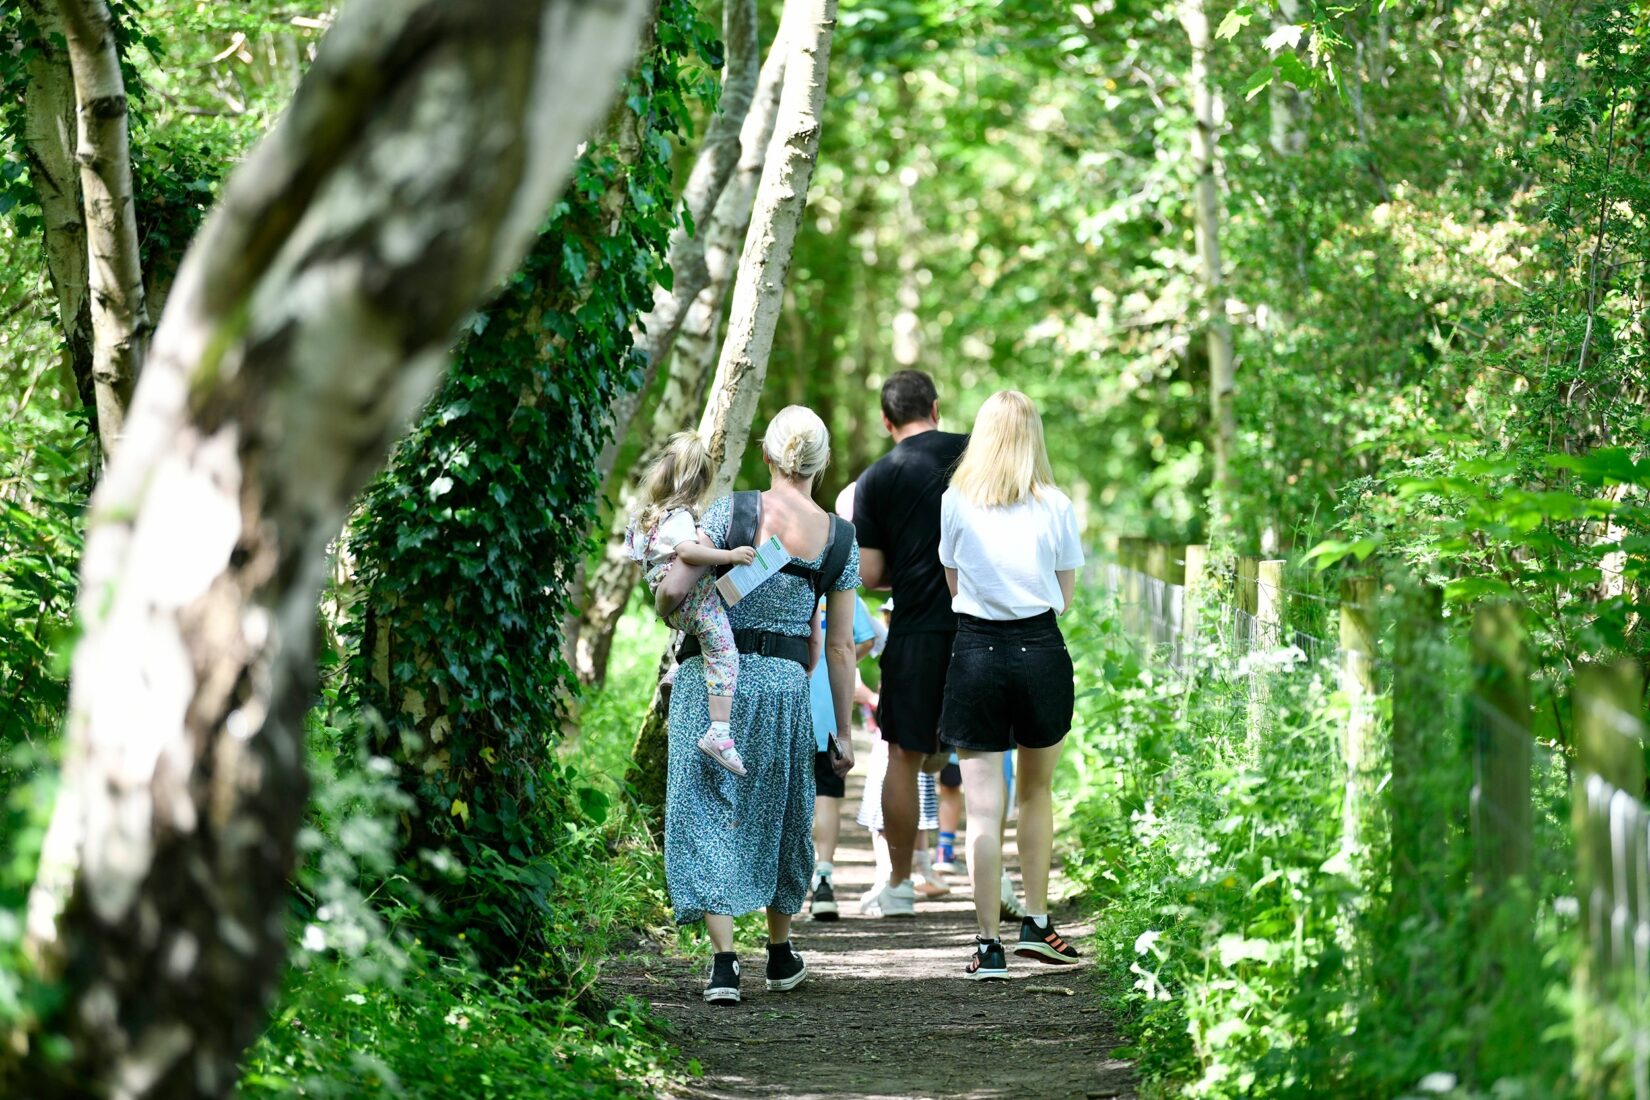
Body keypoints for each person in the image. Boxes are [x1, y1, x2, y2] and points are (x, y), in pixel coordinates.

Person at [660, 407, 860, 1006]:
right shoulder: (840, 540)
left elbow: (675, 593)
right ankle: (778, 952)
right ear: (820, 466)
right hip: (783, 687)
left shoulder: (732, 513)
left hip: (712, 680)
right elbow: (843, 647)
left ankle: (724, 964)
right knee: (780, 809)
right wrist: (843, 733)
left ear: (768, 457)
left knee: (706, 809)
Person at [853, 369, 1021, 918]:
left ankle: (900, 885)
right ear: (937, 407)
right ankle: (999, 888)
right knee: (986, 753)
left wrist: (910, 567)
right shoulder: (978, 455)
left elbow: (873, 571)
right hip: (983, 623)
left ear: (886, 420)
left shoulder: (876, 479)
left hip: (916, 629)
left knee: (902, 753)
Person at [937, 390, 1085, 981]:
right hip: (1040, 651)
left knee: (981, 811)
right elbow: (1066, 595)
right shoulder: (1057, 505)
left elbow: (952, 584)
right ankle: (1038, 922)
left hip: (974, 649)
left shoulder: (955, 501)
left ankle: (987, 944)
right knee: (1035, 795)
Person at [625, 432, 757, 774]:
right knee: (724, 652)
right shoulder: (680, 517)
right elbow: (688, 552)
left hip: (674, 604)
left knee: (703, 633)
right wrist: (729, 555)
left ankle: (676, 668)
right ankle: (720, 732)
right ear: (696, 484)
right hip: (690, 600)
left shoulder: (650, 517)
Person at [807, 485, 880, 921]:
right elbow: (865, 636)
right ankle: (825, 879)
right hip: (827, 711)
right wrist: (847, 660)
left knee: (788, 797)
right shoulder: (836, 561)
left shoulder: (775, 556)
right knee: (827, 796)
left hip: (785, 700)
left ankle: (784, 887)